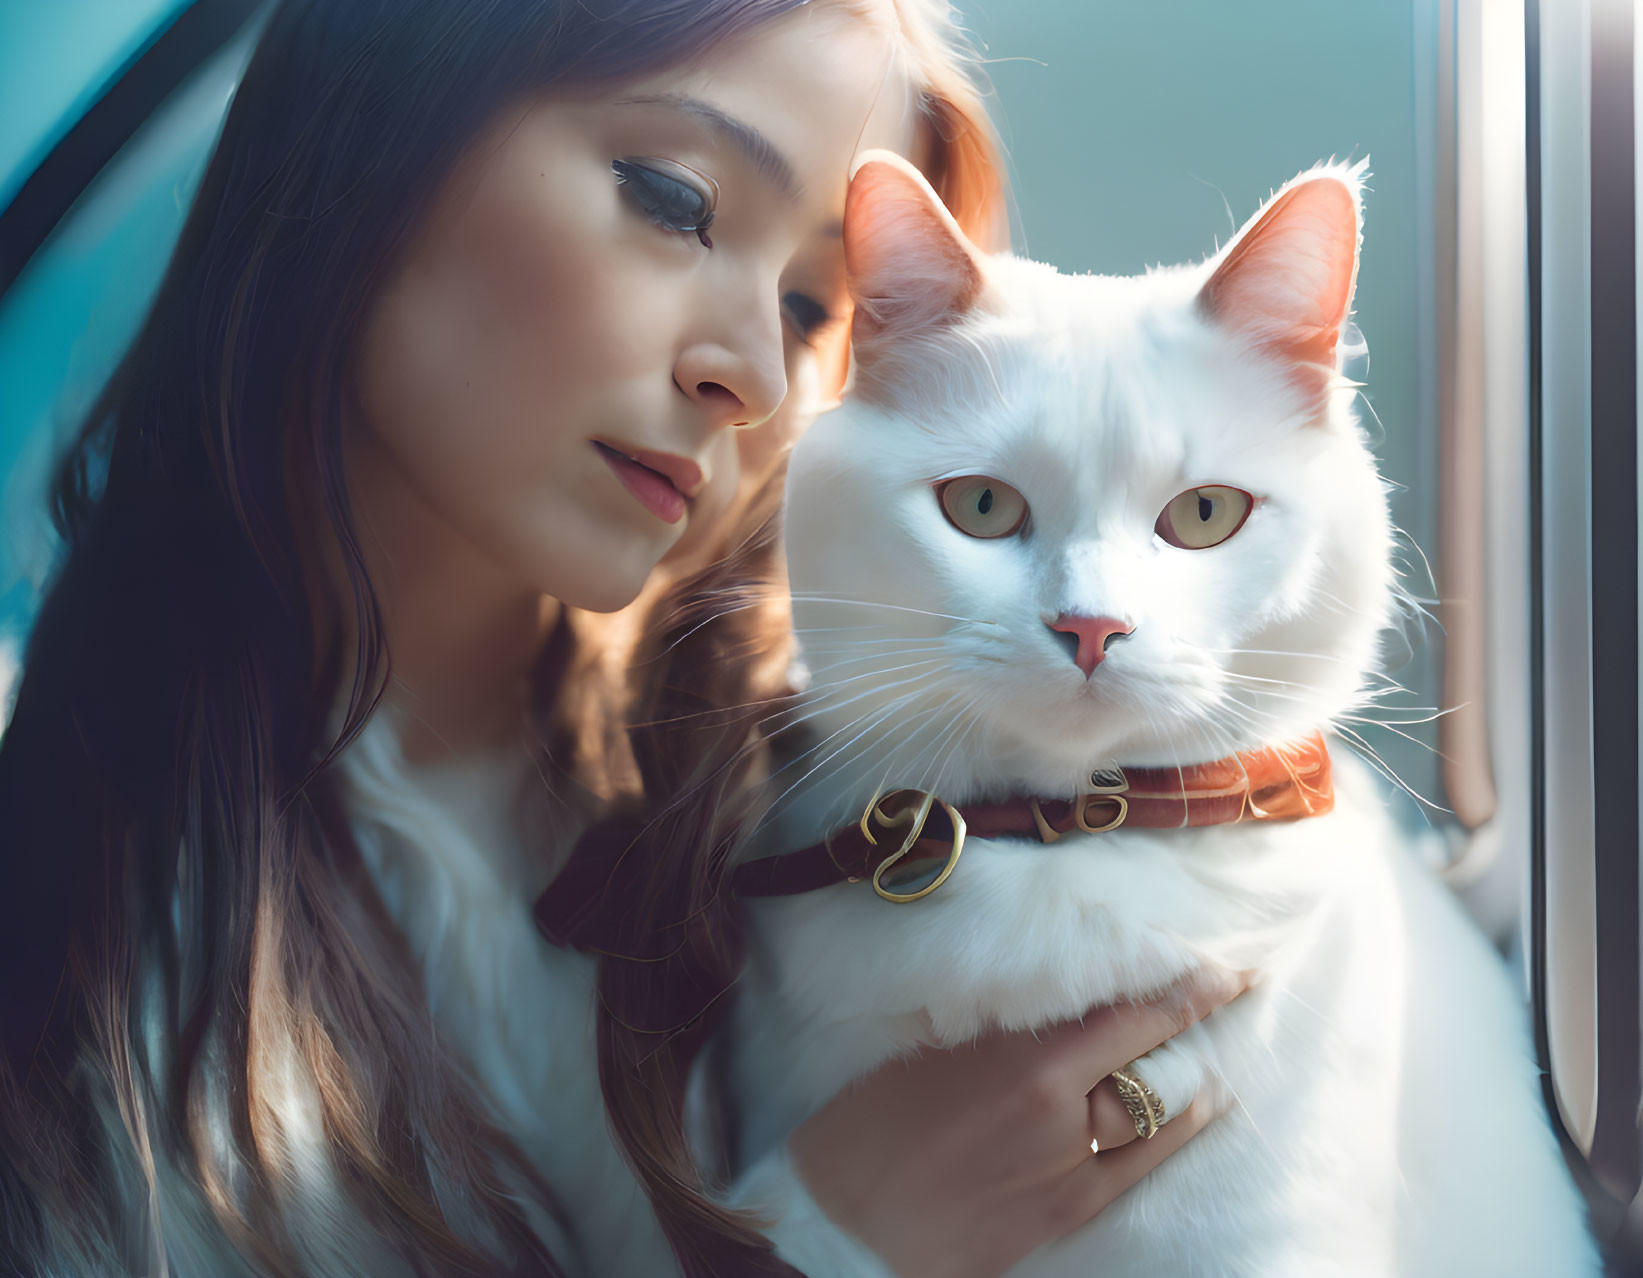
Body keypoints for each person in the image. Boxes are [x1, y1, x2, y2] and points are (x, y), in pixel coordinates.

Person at [0, 1, 1242, 1275]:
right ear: (372, 125)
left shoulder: (844, 835)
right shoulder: (71, 916)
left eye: (816, 308)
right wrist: (835, 1238)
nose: (756, 373)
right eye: (673, 200)